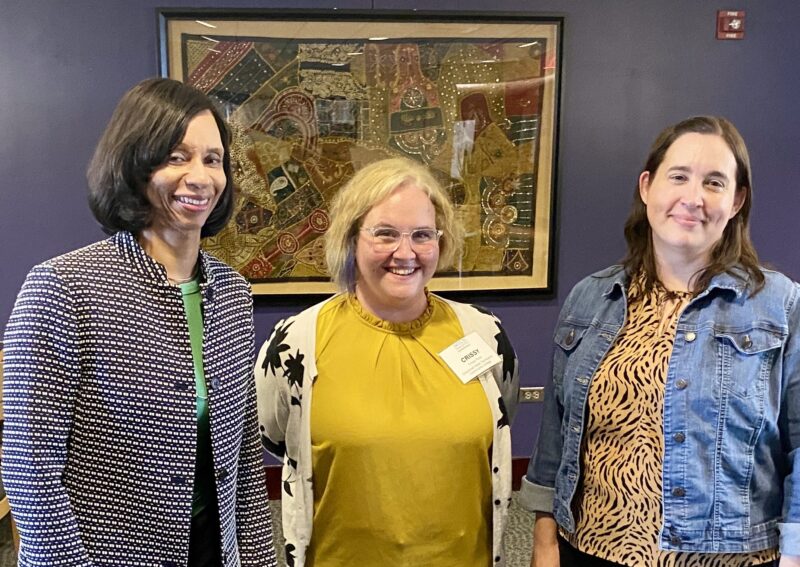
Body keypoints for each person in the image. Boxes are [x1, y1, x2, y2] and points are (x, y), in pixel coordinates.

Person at [2, 78, 277, 566]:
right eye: (177, 156)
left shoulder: (232, 291)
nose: (201, 177)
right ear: (134, 164)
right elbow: (29, 467)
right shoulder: (62, 286)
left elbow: (245, 460)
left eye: (213, 160)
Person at [521, 115, 800, 567]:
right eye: (679, 177)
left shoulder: (779, 305)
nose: (693, 197)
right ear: (647, 187)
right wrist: (544, 540)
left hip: (729, 558)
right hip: (591, 549)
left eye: (714, 182)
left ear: (736, 201)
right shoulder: (591, 298)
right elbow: (555, 433)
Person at [255, 157, 520, 566]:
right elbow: (275, 436)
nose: (405, 252)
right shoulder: (296, 343)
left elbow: (500, 420)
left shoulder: (484, 334)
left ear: (440, 241)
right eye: (385, 234)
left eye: (421, 234)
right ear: (350, 238)